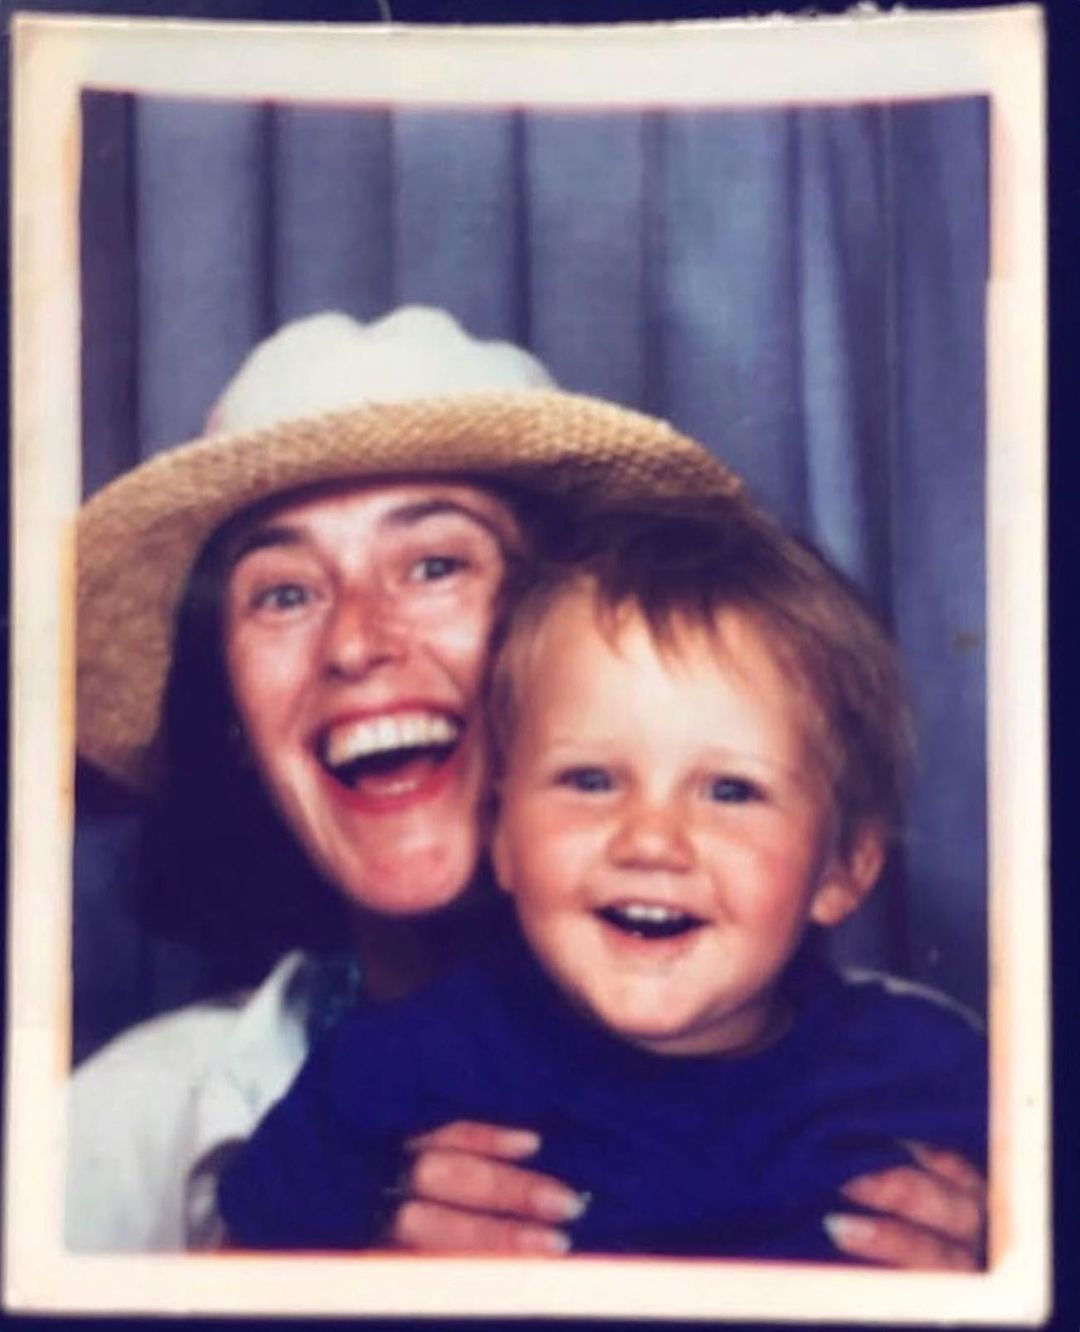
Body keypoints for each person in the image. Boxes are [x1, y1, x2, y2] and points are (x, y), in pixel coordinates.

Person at [67, 306, 986, 1266]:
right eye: (283, 593)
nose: (354, 644)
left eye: (435, 565)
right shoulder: (116, 1130)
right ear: (234, 714)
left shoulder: (925, 1072)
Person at [216, 503, 986, 1261]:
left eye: (729, 791)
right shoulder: (397, 1069)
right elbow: (223, 1287)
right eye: (589, 780)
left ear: (845, 866)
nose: (650, 840)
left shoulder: (932, 1071)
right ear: (502, 834)